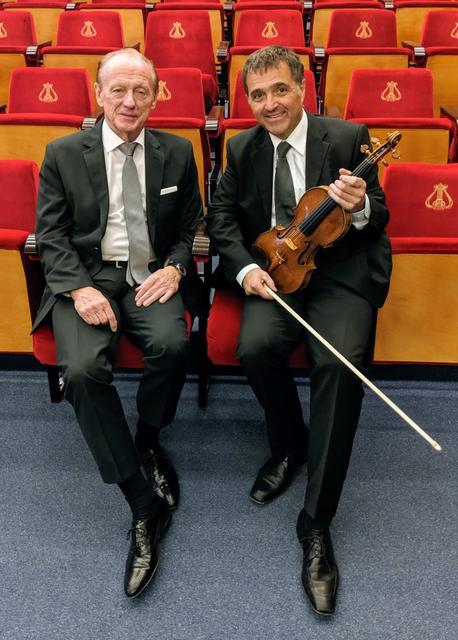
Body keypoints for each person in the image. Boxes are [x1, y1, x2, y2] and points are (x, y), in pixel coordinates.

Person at [207, 45, 392, 616]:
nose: (269, 104)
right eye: (257, 95)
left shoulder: (347, 135)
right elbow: (221, 217)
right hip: (277, 268)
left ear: (303, 88)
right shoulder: (239, 146)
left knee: (339, 365)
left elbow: (378, 215)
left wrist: (358, 207)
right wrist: (244, 267)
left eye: (279, 90)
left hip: (339, 274)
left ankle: (315, 524)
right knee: (255, 347)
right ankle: (288, 445)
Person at [33, 48, 206, 599]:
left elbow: (188, 228)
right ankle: (141, 501)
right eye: (119, 91)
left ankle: (149, 441)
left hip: (150, 276)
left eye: (141, 92)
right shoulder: (62, 153)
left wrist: (177, 268)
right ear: (98, 94)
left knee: (174, 346)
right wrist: (79, 287)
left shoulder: (178, 152)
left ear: (156, 96)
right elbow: (51, 236)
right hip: (85, 278)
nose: (130, 102)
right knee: (82, 371)